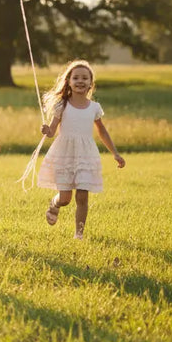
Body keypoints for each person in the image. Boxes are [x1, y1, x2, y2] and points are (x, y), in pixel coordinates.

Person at [39, 60, 125, 239]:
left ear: (90, 83)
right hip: (65, 154)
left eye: (84, 78)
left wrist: (115, 153)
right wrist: (47, 130)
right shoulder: (62, 105)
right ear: (68, 81)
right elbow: (52, 132)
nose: (80, 81)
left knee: (83, 196)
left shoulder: (94, 108)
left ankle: (79, 234)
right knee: (66, 199)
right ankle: (55, 204)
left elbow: (102, 131)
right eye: (76, 77)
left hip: (86, 154)